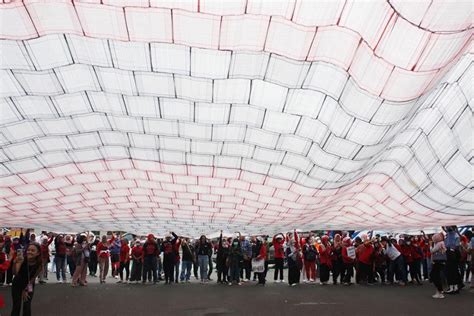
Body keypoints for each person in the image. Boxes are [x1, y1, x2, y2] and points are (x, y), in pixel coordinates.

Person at [11, 242, 43, 316]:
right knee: (17, 305)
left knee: (27, 305)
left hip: (29, 284)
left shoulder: (39, 263)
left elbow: (33, 278)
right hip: (17, 284)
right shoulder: (22, 259)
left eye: (32, 250)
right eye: (28, 250)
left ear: (38, 253)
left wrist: (25, 290)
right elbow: (15, 273)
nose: (29, 252)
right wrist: (15, 263)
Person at [443, 226, 462, 294]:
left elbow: (455, 245)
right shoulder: (449, 234)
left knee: (451, 271)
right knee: (453, 271)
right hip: (451, 254)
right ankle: (454, 288)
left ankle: (453, 288)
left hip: (452, 254)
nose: (447, 228)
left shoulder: (454, 235)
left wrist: (450, 249)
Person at [430, 232, 447, 299]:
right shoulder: (441, 243)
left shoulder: (440, 243)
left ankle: (440, 291)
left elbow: (432, 251)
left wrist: (430, 245)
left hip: (438, 262)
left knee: (435, 276)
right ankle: (438, 292)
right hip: (439, 261)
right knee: (435, 276)